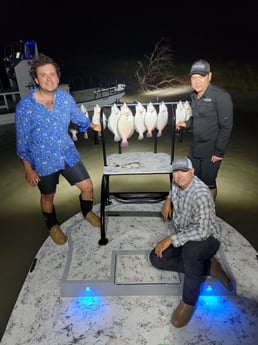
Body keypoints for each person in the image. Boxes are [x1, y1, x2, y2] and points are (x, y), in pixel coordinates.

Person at [15, 53, 101, 245]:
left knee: (87, 186)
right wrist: (28, 168)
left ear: (58, 76)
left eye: (52, 74)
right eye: (43, 75)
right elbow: (23, 141)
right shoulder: (25, 107)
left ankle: (87, 212)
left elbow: (78, 118)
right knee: (48, 195)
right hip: (42, 160)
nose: (49, 78)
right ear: (36, 79)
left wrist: (93, 125)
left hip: (67, 153)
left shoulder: (65, 99)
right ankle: (52, 225)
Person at [149, 157, 232, 328]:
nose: (179, 176)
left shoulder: (201, 194)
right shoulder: (176, 183)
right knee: (156, 258)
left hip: (207, 238)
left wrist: (171, 239)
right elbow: (173, 191)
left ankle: (188, 302)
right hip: (185, 234)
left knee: (190, 254)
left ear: (192, 172)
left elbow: (202, 232)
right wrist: (168, 201)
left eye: (184, 171)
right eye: (176, 172)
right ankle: (209, 267)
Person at [176, 59, 233, 200]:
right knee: (190, 180)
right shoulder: (195, 96)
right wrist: (187, 124)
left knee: (208, 184)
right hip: (195, 149)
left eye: (201, 77)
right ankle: (193, 208)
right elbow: (197, 118)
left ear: (210, 76)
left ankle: (209, 212)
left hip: (211, 151)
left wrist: (219, 152)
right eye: (194, 77)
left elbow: (226, 126)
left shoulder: (221, 96)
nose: (197, 81)